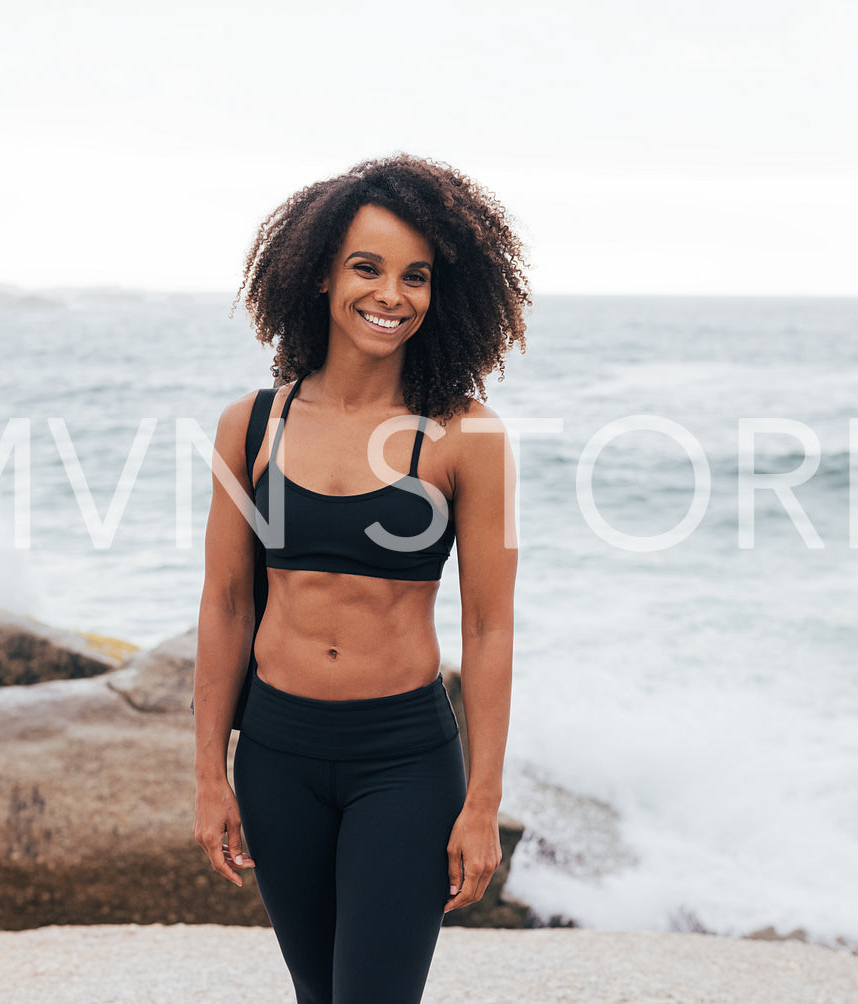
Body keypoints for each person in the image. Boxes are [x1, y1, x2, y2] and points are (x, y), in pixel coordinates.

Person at [192, 153, 529, 1004]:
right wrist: (208, 775)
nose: (391, 295)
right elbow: (227, 605)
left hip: (402, 763)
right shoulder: (251, 426)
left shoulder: (465, 437)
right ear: (318, 277)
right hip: (276, 758)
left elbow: (489, 627)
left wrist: (481, 801)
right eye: (367, 268)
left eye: (414, 277)